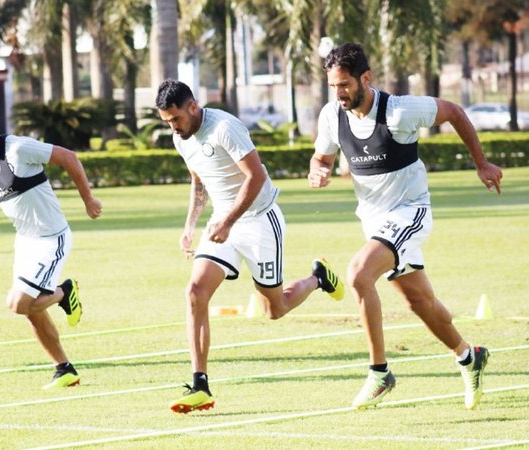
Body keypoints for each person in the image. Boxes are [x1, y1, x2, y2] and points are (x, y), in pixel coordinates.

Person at [308, 43, 503, 409]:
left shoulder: (398, 112)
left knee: (357, 274)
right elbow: (321, 156)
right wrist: (317, 170)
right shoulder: (332, 116)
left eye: (345, 84)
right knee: (420, 302)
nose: (339, 93)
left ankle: (380, 373)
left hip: (410, 212)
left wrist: (481, 164)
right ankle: (468, 356)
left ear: (366, 78)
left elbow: (455, 112)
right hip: (375, 223)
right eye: (333, 86)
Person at [156, 80, 345, 413]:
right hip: (222, 223)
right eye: (167, 121)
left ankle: (318, 278)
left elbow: (254, 176)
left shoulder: (225, 127)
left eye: (175, 119)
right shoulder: (180, 138)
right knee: (195, 292)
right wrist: (190, 226)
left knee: (275, 309)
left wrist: (229, 221)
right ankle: (200, 383)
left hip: (259, 220)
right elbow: (199, 181)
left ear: (193, 107)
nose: (173, 127)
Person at [0, 103, 102, 389]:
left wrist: (88, 199)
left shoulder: (17, 148)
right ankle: (64, 368)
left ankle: (66, 291)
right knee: (30, 309)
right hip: (25, 243)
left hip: (52, 239)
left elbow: (69, 157)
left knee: (18, 303)